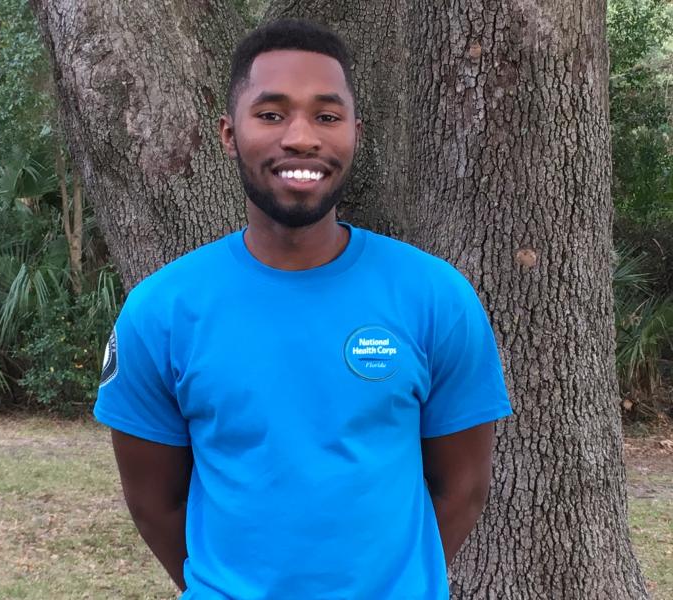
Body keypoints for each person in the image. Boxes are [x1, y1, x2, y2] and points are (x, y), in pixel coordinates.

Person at [94, 18, 512, 600]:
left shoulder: (436, 297)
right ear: (229, 133)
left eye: (327, 116)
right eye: (270, 114)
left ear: (355, 134)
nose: (301, 138)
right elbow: (154, 504)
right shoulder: (159, 312)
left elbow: (463, 488)